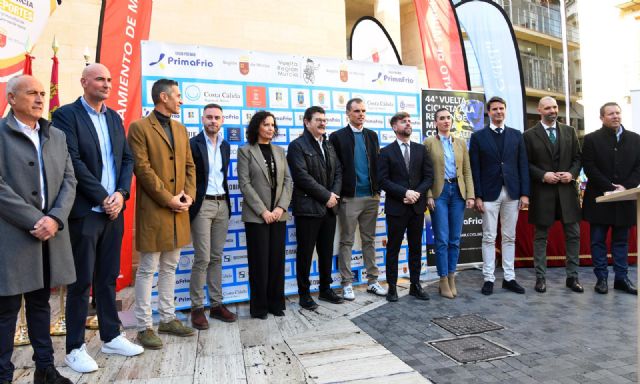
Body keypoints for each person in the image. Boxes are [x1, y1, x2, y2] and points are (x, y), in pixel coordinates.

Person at [51, 63, 142, 373]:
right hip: (86, 213)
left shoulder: (114, 117)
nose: (106, 84)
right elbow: (72, 161)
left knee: (107, 279)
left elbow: (127, 159)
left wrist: (120, 193)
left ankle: (111, 335)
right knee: (81, 282)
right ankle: (74, 348)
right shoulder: (66, 115)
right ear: (84, 82)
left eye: (110, 80)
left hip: (113, 212)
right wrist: (103, 196)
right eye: (100, 79)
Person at [0, 75, 77, 384]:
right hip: (13, 236)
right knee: (5, 311)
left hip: (51, 236)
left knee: (40, 303)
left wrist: (55, 219)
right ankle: (4, 375)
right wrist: (35, 220)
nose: (39, 98)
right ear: (11, 98)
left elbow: (69, 181)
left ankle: (45, 369)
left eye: (42, 93)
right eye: (31, 93)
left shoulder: (56, 135)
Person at [127, 79, 196, 349]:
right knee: (148, 269)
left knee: (170, 266)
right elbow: (142, 169)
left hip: (180, 209)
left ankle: (168, 318)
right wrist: (169, 199)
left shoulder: (180, 129)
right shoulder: (139, 128)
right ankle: (144, 326)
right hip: (156, 210)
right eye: (178, 96)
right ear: (164, 97)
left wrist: (188, 195)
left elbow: (190, 166)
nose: (181, 100)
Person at [469, 96, 530, 295]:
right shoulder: (478, 137)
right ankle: (488, 278)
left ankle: (509, 278)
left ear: (505, 110)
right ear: (488, 112)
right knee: (488, 236)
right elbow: (474, 169)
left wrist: (525, 193)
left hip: (512, 192)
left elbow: (523, 165)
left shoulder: (516, 135)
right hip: (488, 193)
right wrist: (477, 195)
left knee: (509, 237)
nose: (498, 112)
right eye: (494, 109)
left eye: (501, 108)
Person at [523, 96, 583, 294]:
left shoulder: (570, 131)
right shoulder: (529, 135)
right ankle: (540, 278)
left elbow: (577, 158)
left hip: (567, 192)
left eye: (555, 107)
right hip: (543, 193)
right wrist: (543, 175)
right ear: (540, 110)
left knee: (573, 236)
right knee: (541, 237)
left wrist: (571, 174)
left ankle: (572, 277)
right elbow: (525, 164)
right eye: (548, 108)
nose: (553, 111)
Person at [329, 98, 386, 300]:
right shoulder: (337, 137)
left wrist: (377, 190)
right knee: (346, 241)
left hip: (371, 196)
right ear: (348, 113)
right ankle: (346, 283)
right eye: (356, 111)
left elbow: (377, 164)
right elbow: (334, 169)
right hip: (349, 198)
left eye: (363, 111)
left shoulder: (372, 135)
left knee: (369, 240)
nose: (361, 114)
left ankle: (372, 281)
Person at [287, 106, 344, 310]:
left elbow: (338, 171)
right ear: (306, 122)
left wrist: (333, 195)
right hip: (308, 209)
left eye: (324, 120)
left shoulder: (328, 145)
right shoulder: (297, 146)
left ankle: (325, 289)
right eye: (318, 119)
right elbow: (302, 177)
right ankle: (304, 294)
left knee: (326, 251)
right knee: (305, 253)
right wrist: (326, 196)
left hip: (329, 208)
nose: (322, 123)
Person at [237, 111, 292, 319]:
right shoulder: (245, 151)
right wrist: (263, 211)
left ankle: (276, 304)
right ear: (256, 127)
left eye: (272, 125)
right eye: (266, 124)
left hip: (278, 215)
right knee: (259, 263)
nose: (270, 128)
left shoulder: (279, 151)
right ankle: (259, 307)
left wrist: (280, 209)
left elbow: (288, 181)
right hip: (257, 216)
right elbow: (245, 183)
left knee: (277, 261)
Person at [582, 102, 640, 295]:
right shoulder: (591, 139)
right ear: (602, 118)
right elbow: (589, 167)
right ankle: (602, 279)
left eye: (617, 113)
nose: (615, 116)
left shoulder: (635, 139)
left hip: (625, 199)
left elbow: (638, 168)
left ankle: (622, 279)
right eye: (610, 114)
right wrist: (609, 187)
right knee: (598, 241)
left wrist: (625, 187)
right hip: (599, 199)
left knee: (621, 241)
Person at [188, 103, 236, 329]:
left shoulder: (226, 146)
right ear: (202, 119)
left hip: (222, 205)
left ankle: (216, 305)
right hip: (202, 205)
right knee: (203, 258)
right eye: (209, 117)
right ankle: (197, 308)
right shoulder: (193, 144)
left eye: (217, 117)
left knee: (216, 257)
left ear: (223, 120)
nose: (213, 121)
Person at [378, 112, 433, 302]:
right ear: (394, 127)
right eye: (403, 122)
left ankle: (415, 285)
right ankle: (392, 287)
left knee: (416, 247)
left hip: (417, 208)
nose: (408, 124)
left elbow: (428, 177)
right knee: (393, 248)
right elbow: (383, 180)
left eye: (409, 121)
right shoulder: (385, 152)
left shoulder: (420, 149)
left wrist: (415, 194)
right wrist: (405, 193)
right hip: (397, 208)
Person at [424, 108, 475, 299]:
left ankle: (452, 276)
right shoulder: (429, 143)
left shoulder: (460, 143)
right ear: (435, 122)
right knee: (442, 239)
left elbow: (467, 171)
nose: (446, 121)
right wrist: (428, 194)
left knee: (455, 239)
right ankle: (443, 279)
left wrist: (470, 194)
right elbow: (425, 172)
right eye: (442, 119)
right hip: (440, 193)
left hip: (458, 193)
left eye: (448, 118)